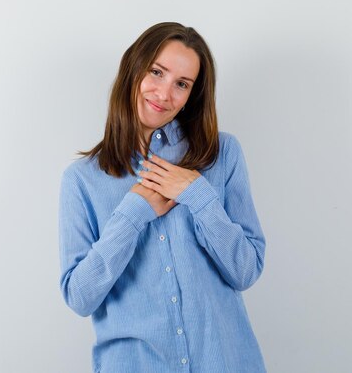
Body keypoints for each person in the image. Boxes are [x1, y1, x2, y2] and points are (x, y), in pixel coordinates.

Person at [58, 22, 267, 373]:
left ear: (191, 96)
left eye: (182, 84)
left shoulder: (222, 153)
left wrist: (199, 196)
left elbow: (245, 271)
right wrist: (133, 213)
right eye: (157, 72)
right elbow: (80, 297)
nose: (164, 93)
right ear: (133, 68)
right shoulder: (81, 181)